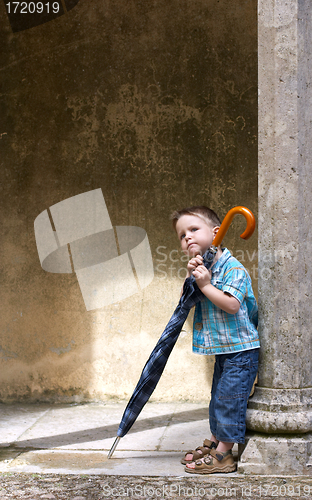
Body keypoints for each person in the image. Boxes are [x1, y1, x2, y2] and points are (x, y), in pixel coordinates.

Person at [171, 206, 260, 474]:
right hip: (224, 349)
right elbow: (188, 300)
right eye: (182, 234)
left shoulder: (234, 268)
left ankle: (225, 456)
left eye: (194, 229)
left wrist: (207, 285)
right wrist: (192, 278)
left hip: (241, 350)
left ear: (216, 232)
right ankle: (215, 442)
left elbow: (232, 305)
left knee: (230, 399)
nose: (187, 237)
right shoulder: (204, 267)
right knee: (218, 398)